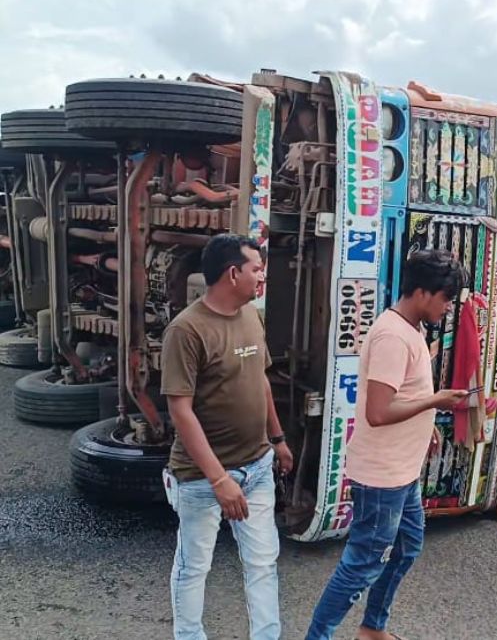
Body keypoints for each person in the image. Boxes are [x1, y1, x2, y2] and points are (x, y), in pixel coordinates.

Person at [306, 250, 470, 640]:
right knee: (362, 563)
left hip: (401, 471)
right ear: (421, 292)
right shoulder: (394, 336)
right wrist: (435, 401)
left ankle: (372, 628)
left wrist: (424, 422)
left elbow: (401, 395)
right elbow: (378, 412)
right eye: (445, 298)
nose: (448, 308)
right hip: (382, 477)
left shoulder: (409, 330)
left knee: (407, 548)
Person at [162, 234, 292, 640]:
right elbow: (180, 410)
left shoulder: (252, 314)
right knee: (194, 564)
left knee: (263, 562)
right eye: (256, 269)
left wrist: (278, 437)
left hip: (257, 465)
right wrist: (219, 479)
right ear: (232, 273)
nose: (261, 277)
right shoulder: (186, 330)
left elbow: (262, 381)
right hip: (201, 478)